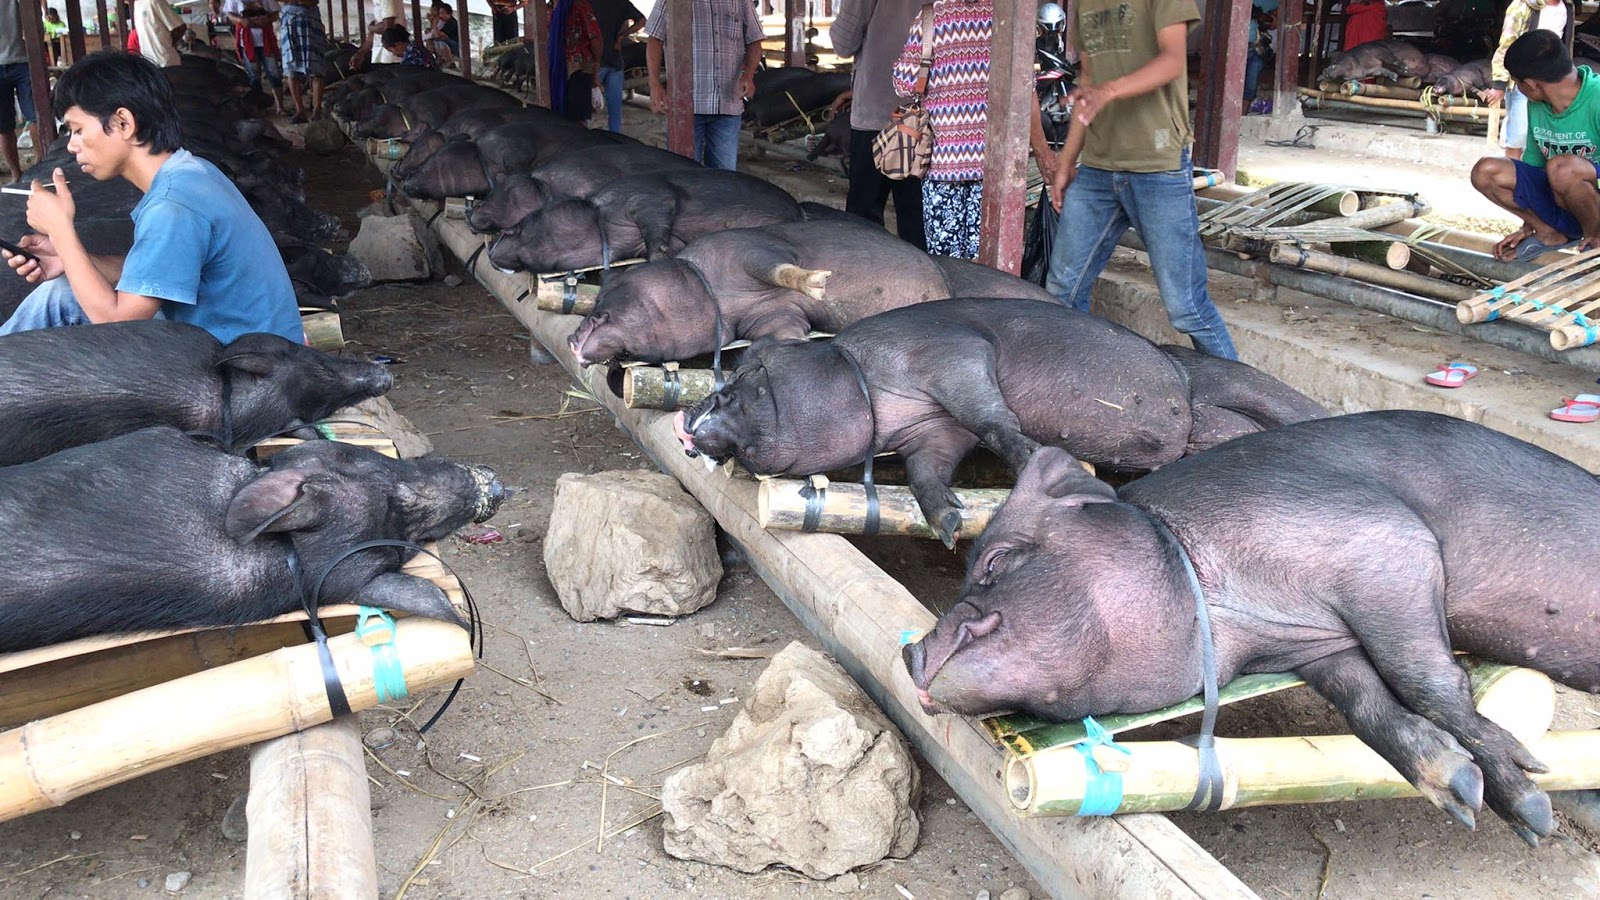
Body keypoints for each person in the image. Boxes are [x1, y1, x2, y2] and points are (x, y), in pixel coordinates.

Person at [0, 52, 303, 344]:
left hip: (248, 373)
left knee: (60, 301)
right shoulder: (191, 174)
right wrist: (70, 257)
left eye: (77, 130)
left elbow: (119, 323)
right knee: (63, 291)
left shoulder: (173, 206)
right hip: (253, 350)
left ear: (123, 123)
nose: (71, 146)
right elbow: (148, 277)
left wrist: (62, 231)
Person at [1044, 0, 1238, 360]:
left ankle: (1246, 398)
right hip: (1098, 168)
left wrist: (1108, 91)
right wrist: (1067, 162)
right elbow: (1087, 82)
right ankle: (1070, 383)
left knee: (1186, 308)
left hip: (1158, 166)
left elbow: (1172, 61)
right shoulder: (1083, 5)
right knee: (1061, 292)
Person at [1470, 30, 1600, 261]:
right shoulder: (1538, 102)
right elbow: (1533, 162)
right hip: (1563, 198)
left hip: (1592, 203)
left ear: (1530, 83)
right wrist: (1527, 225)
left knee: (1562, 169)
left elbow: (1562, 171)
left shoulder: (1597, 98)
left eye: (1516, 82)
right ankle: (1548, 233)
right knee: (1486, 171)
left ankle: (1595, 238)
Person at [890, 0, 992, 260]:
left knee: (947, 259)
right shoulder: (1001, 16)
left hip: (943, 161)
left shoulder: (931, 18)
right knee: (984, 258)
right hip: (991, 163)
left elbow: (905, 84)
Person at [828, 0, 926, 249]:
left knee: (864, 224)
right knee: (917, 221)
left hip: (878, 111)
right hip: (926, 117)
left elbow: (843, 43)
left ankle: (869, 283)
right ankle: (926, 283)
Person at [643, 0, 763, 172]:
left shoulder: (740, 2)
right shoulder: (672, 1)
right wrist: (654, 83)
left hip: (727, 105)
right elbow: (654, 39)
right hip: (687, 106)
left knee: (724, 176)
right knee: (683, 175)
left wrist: (748, 75)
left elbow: (755, 41)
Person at [1481, 0, 1571, 161]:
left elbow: (1563, 44)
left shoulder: (1566, 8)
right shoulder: (1522, 7)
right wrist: (1500, 83)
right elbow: (1507, 45)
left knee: (1543, 134)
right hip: (1524, 79)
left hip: (1551, 80)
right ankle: (1514, 173)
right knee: (1519, 134)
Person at [0, 0, 41, 184]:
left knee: (35, 116)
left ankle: (43, 165)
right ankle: (16, 174)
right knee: (4, 126)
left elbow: (34, 13)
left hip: (23, 60)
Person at [221, 0, 285, 114]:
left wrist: (267, 19)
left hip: (266, 41)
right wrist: (240, 20)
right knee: (254, 76)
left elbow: (276, 13)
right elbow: (230, 15)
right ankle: (260, 107)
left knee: (274, 73)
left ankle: (280, 106)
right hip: (247, 42)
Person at [591, 0, 643, 133]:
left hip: (596, 62)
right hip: (614, 60)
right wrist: (622, 36)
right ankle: (615, 140)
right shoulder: (621, 2)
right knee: (615, 109)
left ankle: (582, 142)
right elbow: (642, 21)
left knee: (584, 106)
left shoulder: (589, 3)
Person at [549, 0, 602, 121]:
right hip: (580, 70)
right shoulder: (581, 5)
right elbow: (595, 39)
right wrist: (596, 62)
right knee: (578, 119)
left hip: (559, 68)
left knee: (563, 114)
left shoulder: (554, 8)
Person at [277, 0, 326, 122]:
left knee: (316, 67)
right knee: (291, 69)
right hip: (289, 20)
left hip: (310, 21)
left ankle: (317, 110)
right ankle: (300, 111)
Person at [133, 0, 188, 67]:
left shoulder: (155, 1)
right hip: (149, 62)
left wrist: (169, 44)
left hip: (165, 62)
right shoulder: (137, 4)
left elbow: (180, 27)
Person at [425, 2, 458, 67]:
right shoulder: (442, 22)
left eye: (442, 13)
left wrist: (434, 22)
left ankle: (448, 61)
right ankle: (429, 59)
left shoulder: (452, 22)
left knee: (439, 41)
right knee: (431, 40)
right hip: (445, 42)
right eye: (439, 13)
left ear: (449, 14)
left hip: (455, 46)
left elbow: (437, 35)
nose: (440, 16)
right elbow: (434, 33)